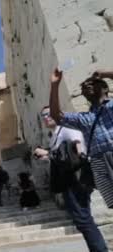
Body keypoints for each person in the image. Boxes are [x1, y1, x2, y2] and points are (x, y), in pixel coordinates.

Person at [34, 106, 111, 252]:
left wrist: (48, 152)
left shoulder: (67, 128)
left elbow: (78, 148)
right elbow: (63, 156)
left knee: (83, 220)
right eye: (43, 115)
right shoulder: (56, 134)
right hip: (69, 181)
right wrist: (48, 155)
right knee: (82, 219)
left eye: (49, 114)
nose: (46, 117)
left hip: (76, 180)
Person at [49, 69, 113, 209]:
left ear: (105, 88)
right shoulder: (84, 118)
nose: (87, 86)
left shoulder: (111, 106)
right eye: (84, 86)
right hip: (99, 162)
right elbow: (56, 115)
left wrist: (105, 74)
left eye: (92, 83)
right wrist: (54, 86)